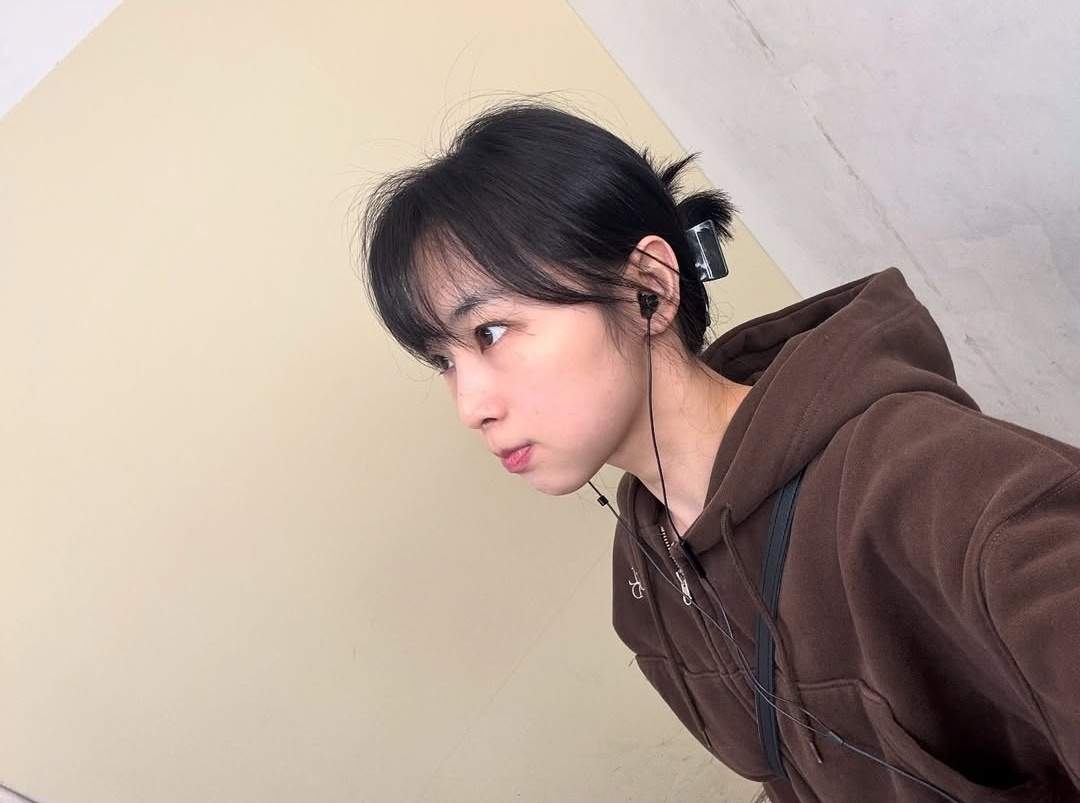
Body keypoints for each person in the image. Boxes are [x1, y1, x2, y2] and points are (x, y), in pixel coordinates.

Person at [358, 102, 1080, 803]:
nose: (470, 405)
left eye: (489, 332)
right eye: (443, 360)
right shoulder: (644, 583)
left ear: (647, 288)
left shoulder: (933, 484)